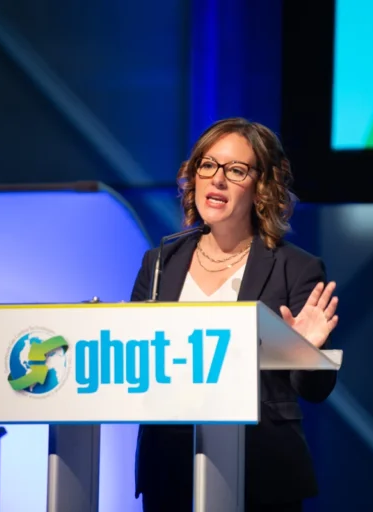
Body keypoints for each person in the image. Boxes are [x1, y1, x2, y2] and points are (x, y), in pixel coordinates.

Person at [129, 117, 339, 512]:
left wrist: (306, 353)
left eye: (236, 170)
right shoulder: (160, 263)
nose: (217, 179)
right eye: (207, 165)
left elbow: (314, 391)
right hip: (170, 468)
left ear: (261, 188)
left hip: (262, 473)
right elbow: (137, 366)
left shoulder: (295, 267)